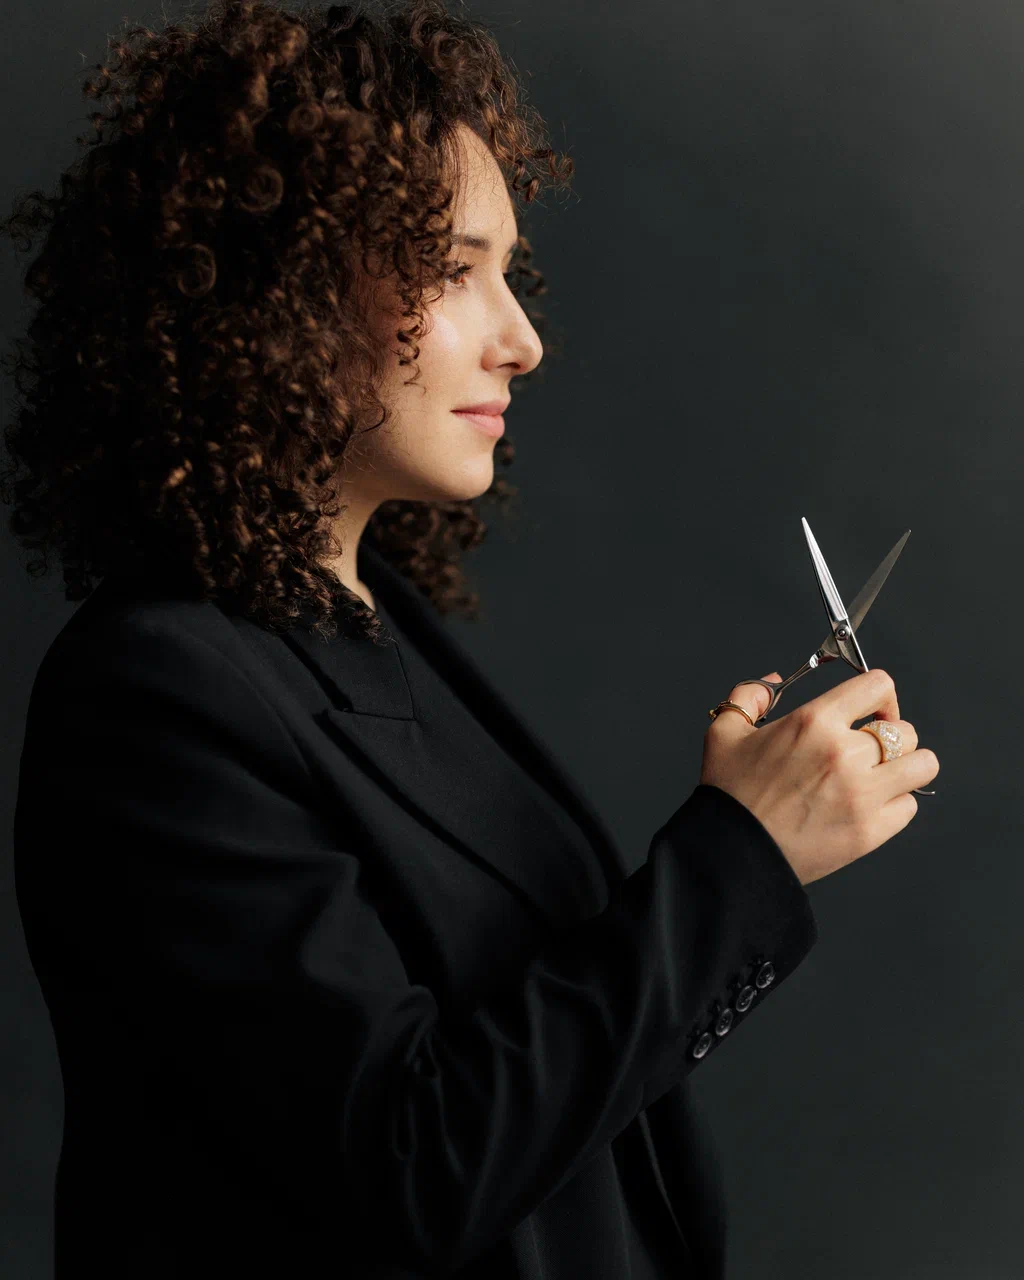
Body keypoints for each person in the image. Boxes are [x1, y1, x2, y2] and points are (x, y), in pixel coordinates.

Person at [5, 1, 941, 1276]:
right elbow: (410, 1169)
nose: (523, 338)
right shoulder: (154, 692)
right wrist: (741, 856)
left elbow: (539, 1060)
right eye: (454, 267)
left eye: (507, 269)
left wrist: (747, 841)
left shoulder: (374, 623)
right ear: (284, 286)